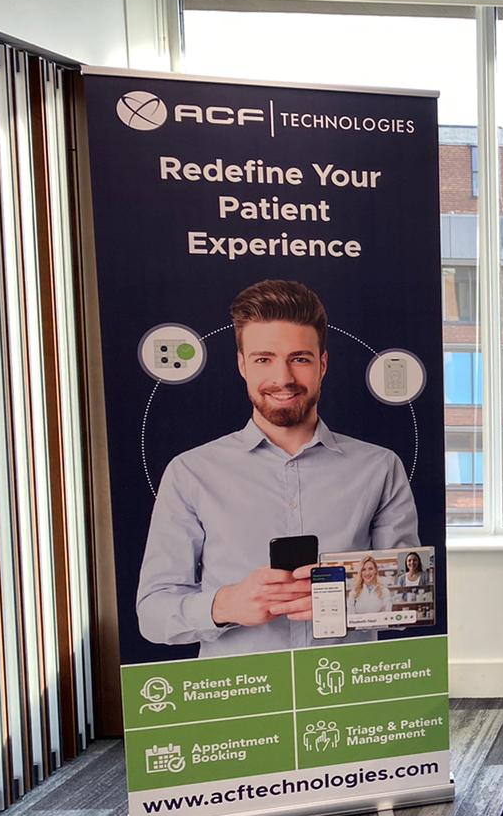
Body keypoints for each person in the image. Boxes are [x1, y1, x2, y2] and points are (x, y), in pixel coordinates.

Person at [137, 280, 419, 657]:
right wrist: (223, 605)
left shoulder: (379, 467)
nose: (283, 378)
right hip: (239, 696)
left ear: (322, 364)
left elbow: (409, 601)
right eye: (263, 359)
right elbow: (153, 613)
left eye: (299, 358)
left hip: (349, 693)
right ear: (242, 365)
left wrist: (347, 600)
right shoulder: (191, 472)